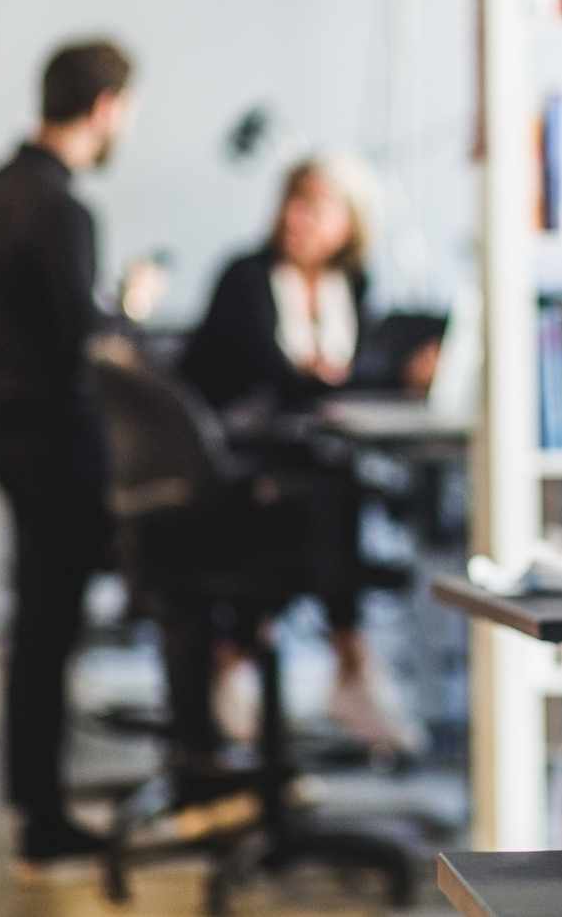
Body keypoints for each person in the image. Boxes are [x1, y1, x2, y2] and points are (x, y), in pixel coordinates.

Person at [0, 38, 135, 866]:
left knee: (37, 625)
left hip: (10, 437)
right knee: (50, 627)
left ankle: (36, 804)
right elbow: (77, 343)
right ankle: (45, 820)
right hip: (59, 446)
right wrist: (123, 313)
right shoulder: (61, 208)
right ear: (104, 108)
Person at [178, 155, 426, 755]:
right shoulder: (244, 277)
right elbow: (267, 376)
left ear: (350, 223)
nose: (296, 217)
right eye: (292, 199)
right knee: (323, 501)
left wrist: (403, 368)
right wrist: (335, 377)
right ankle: (341, 661)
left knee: (330, 489)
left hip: (308, 464)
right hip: (235, 466)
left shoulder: (356, 284)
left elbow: (352, 371)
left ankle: (248, 656)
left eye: (315, 204)